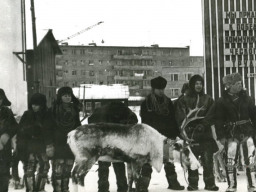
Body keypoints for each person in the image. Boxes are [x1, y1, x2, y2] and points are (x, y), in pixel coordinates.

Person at [204, 73, 256, 192]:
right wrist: (221, 136)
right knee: (230, 160)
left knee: (250, 160)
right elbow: (216, 120)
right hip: (231, 135)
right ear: (229, 86)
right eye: (237, 84)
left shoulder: (248, 99)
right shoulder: (221, 102)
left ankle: (252, 185)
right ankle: (232, 186)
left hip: (247, 132)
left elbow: (254, 117)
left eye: (240, 83)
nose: (240, 85)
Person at [139, 76, 184, 192]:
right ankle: (143, 186)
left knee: (168, 160)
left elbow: (172, 119)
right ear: (153, 89)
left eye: (163, 89)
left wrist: (175, 134)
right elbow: (145, 122)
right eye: (159, 89)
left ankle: (173, 182)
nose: (161, 91)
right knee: (147, 161)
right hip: (151, 138)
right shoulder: (147, 103)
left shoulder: (168, 102)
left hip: (167, 137)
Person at [175, 74, 219, 191]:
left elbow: (212, 114)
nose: (199, 86)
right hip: (191, 136)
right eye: (196, 83)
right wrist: (188, 128)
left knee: (208, 161)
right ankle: (193, 184)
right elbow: (180, 117)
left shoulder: (208, 99)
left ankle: (210, 183)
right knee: (192, 161)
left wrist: (203, 124)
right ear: (192, 85)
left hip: (205, 135)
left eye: (200, 83)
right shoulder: (183, 100)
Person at [87, 101, 138, 192]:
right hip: (116, 143)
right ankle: (122, 188)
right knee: (119, 165)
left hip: (103, 142)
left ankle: (103, 188)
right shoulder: (124, 110)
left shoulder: (100, 110)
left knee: (103, 166)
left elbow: (90, 121)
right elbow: (133, 122)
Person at [17, 93, 53, 192]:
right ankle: (30, 190)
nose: (34, 106)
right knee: (29, 170)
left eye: (37, 104)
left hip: (42, 147)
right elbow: (20, 132)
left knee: (44, 168)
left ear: (42, 105)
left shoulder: (47, 115)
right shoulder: (27, 114)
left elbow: (49, 131)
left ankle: (40, 189)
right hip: (29, 147)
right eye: (33, 104)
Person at [49, 86, 81, 192]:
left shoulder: (75, 110)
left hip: (70, 144)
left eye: (69, 95)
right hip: (58, 144)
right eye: (65, 95)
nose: (67, 98)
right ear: (60, 97)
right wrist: (50, 143)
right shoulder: (53, 110)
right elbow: (49, 127)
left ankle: (65, 190)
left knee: (67, 171)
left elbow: (78, 127)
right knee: (57, 171)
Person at [0, 88, 18, 192]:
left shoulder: (7, 112)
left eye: (0, 98)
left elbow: (15, 127)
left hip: (4, 151)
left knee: (3, 176)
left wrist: (6, 135)